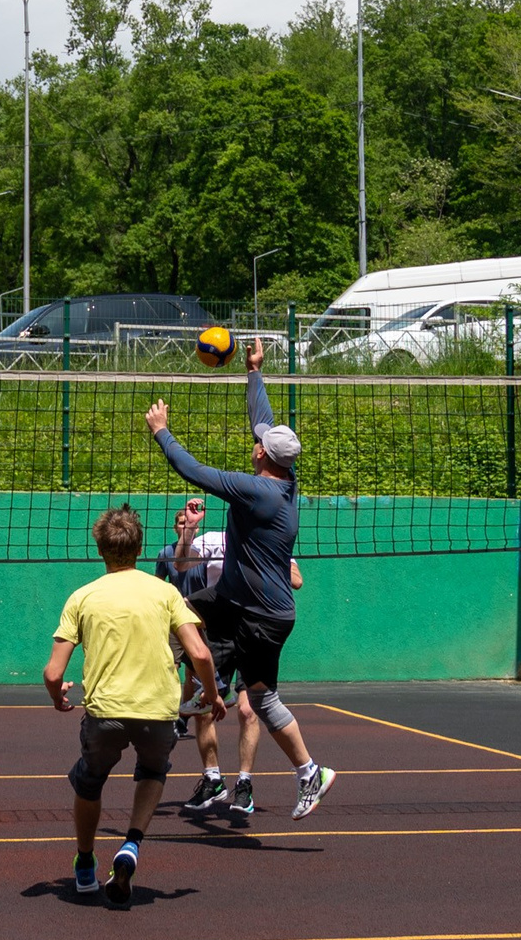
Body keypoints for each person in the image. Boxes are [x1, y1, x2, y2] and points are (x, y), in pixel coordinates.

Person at [146, 337, 336, 821]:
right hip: (238, 600)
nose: (256, 441)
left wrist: (162, 432)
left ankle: (309, 770)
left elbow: (192, 470)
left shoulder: (256, 493)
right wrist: (253, 372)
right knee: (179, 612)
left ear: (262, 457)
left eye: (259, 443)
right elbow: (263, 420)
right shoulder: (284, 478)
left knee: (263, 699)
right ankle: (210, 690)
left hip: (260, 614)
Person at [43, 504, 222, 901]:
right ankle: (131, 845)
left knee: (90, 782)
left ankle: (85, 863)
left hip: (105, 712)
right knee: (153, 772)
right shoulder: (166, 592)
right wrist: (211, 696)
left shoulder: (82, 596)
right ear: (139, 548)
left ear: (99, 549)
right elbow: (201, 654)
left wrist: (58, 697)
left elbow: (53, 673)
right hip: (158, 712)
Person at [162, 499, 304, 812]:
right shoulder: (213, 540)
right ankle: (212, 779)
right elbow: (181, 563)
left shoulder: (269, 541)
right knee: (204, 705)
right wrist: (190, 529)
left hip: (255, 630)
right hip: (221, 631)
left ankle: (244, 783)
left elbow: (296, 580)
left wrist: (265, 558)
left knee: (248, 710)